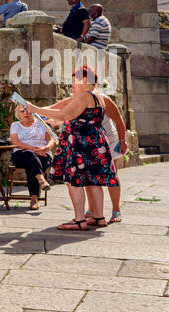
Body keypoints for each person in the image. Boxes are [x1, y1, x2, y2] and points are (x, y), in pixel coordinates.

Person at [36, 66, 118, 230]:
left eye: (75, 80)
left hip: (81, 145)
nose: (72, 83)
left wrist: (34, 109)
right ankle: (99, 217)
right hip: (94, 142)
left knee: (74, 181)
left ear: (85, 81)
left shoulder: (83, 96)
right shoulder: (97, 96)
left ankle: (79, 220)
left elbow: (64, 114)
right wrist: (52, 120)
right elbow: (75, 117)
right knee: (93, 181)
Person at [85, 81, 128, 224]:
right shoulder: (80, 100)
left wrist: (122, 140)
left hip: (110, 141)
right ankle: (91, 210)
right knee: (89, 176)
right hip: (91, 143)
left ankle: (116, 211)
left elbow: (118, 120)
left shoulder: (104, 100)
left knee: (112, 175)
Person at [10, 103, 55, 213]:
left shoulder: (42, 123)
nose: (26, 113)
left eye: (28, 110)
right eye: (22, 111)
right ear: (18, 114)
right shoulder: (15, 125)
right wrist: (31, 148)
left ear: (33, 112)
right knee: (30, 156)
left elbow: (51, 140)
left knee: (32, 165)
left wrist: (45, 148)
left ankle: (34, 199)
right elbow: (15, 142)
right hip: (22, 154)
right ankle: (41, 180)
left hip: (43, 154)